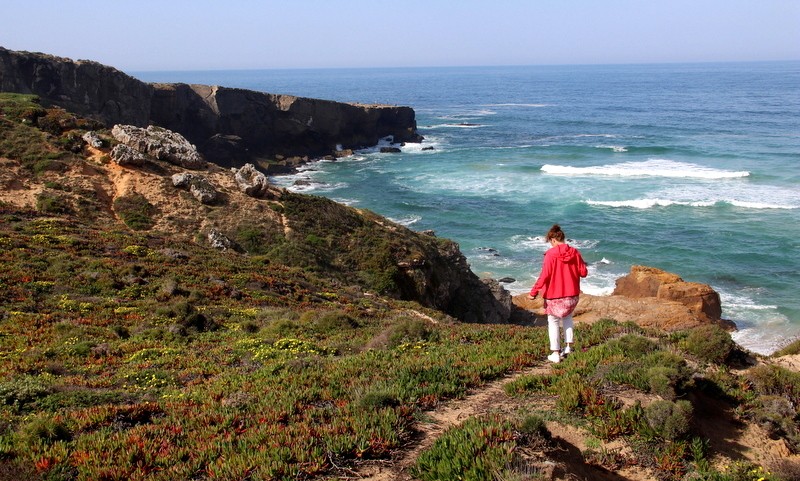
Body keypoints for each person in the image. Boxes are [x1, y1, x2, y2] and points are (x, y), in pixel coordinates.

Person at [528, 224, 588, 364]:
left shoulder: (550, 254)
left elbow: (545, 275)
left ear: (553, 240)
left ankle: (555, 353)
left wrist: (533, 292)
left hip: (555, 296)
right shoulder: (575, 252)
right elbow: (584, 273)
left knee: (553, 322)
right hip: (572, 295)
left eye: (550, 242)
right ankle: (568, 348)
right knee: (567, 318)